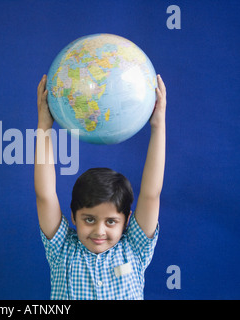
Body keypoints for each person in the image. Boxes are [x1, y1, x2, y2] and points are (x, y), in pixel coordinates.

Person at [34, 74, 166, 299]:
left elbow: (151, 194)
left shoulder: (135, 249)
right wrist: (44, 125)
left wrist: (158, 125)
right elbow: (45, 195)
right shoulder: (62, 250)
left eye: (111, 221)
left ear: (127, 220)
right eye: (89, 219)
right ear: (73, 217)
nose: (99, 231)